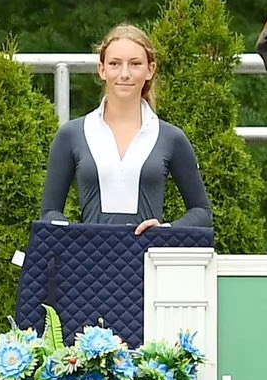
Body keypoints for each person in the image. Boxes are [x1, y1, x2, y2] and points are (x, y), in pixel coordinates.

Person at [39, 22, 213, 232]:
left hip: (149, 252)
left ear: (150, 70)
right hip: (89, 252)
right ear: (102, 70)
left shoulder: (170, 137)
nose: (124, 74)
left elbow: (201, 213)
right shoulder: (72, 134)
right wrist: (75, 235)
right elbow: (49, 212)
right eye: (114, 64)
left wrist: (165, 230)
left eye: (135, 64)